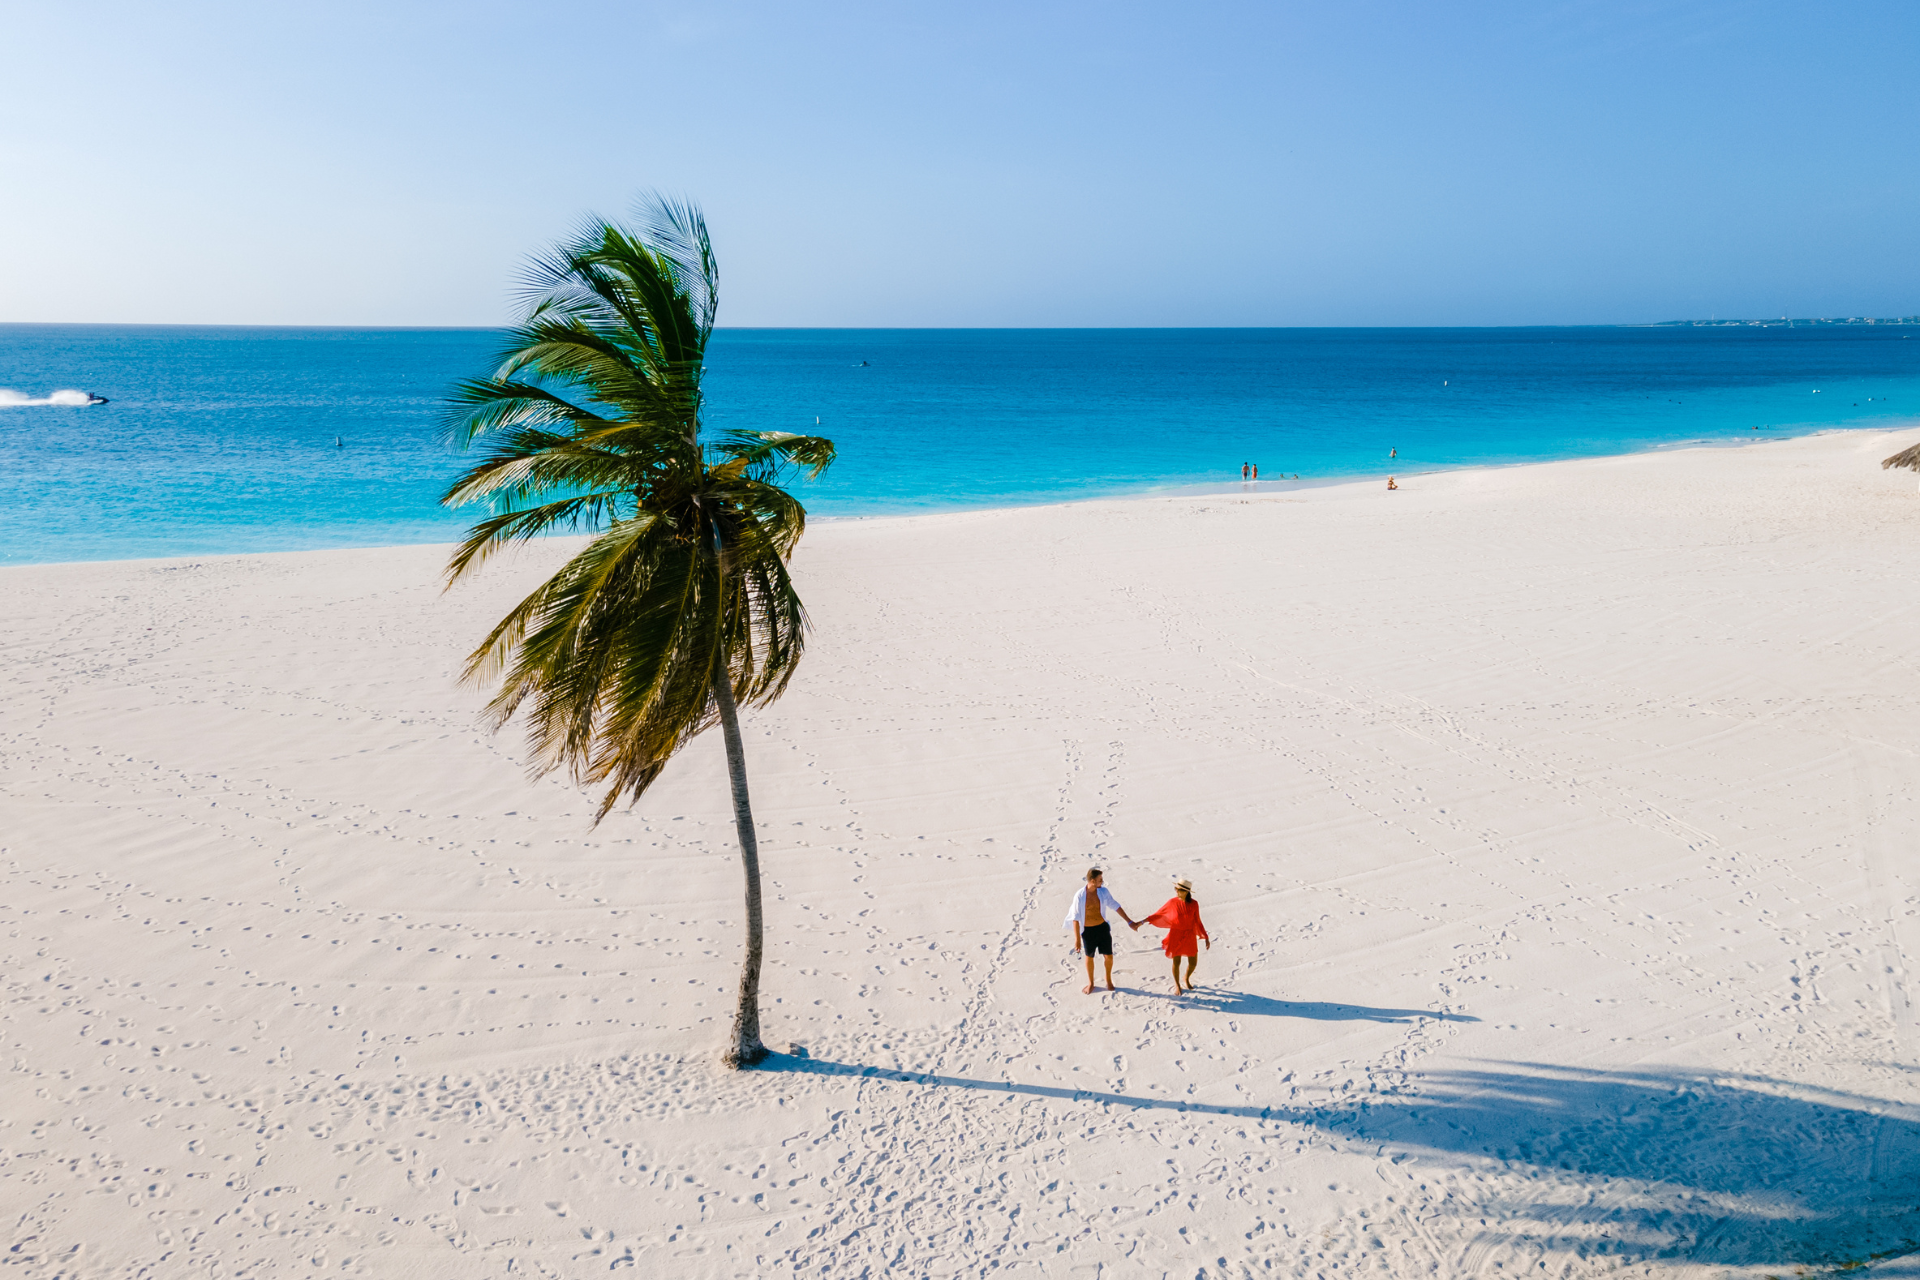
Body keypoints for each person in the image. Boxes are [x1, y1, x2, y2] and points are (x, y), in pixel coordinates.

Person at [1064, 867, 1137, 994]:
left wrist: (1129, 921)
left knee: (1109, 956)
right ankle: (1091, 983)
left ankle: (1108, 978)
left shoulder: (1103, 892)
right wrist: (1077, 940)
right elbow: (1075, 919)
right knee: (1089, 957)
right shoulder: (1080, 896)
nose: (1102, 882)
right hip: (1088, 931)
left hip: (1102, 928)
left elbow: (1115, 905)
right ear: (1092, 881)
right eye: (1100, 880)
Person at [1138, 879, 1210, 993]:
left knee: (1193, 963)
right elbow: (1158, 914)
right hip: (1176, 934)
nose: (1176, 891)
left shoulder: (1194, 904)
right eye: (1176, 888)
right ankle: (1177, 985)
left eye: (1179, 889)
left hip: (1189, 935)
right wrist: (1141, 922)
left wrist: (1205, 936)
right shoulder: (1172, 902)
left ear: (1186, 891)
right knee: (1176, 962)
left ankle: (1186, 978)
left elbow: (1197, 920)